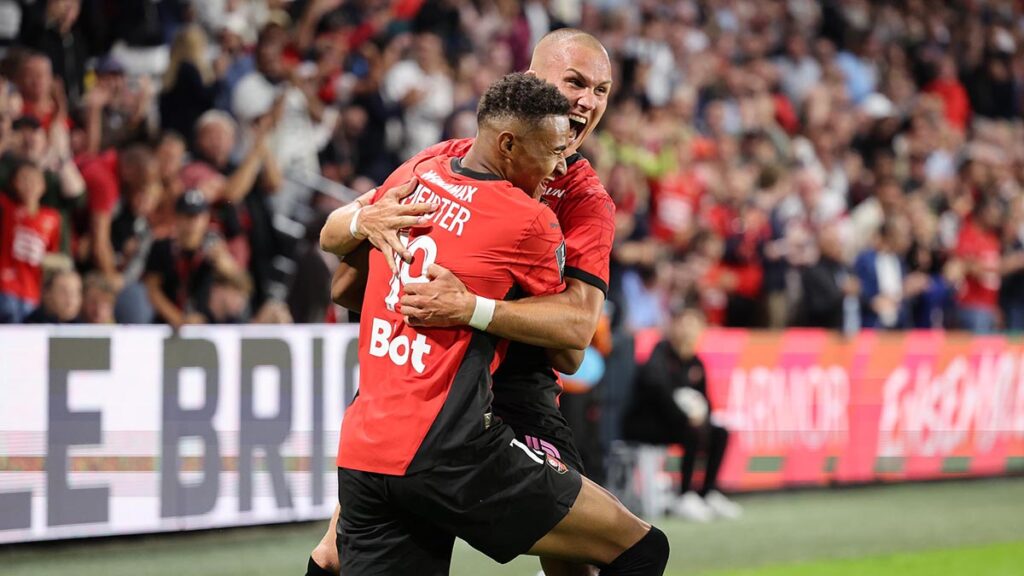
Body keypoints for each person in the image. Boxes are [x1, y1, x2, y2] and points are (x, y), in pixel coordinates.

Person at [311, 29, 626, 576]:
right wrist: (365, 220)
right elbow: (340, 263)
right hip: (428, 374)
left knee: (578, 560)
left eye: (601, 90)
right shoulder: (446, 159)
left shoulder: (584, 200)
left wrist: (470, 304)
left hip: (516, 388)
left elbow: (574, 338)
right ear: (529, 82)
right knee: (339, 549)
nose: (588, 101)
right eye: (575, 82)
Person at [621, 306, 742, 522]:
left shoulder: (696, 363)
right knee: (691, 430)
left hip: (679, 424)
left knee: (719, 432)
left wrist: (702, 417)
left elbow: (705, 402)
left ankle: (708, 491)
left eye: (694, 325)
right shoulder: (659, 356)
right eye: (684, 324)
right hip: (649, 424)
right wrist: (686, 416)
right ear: (674, 327)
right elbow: (658, 394)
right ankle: (685, 495)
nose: (688, 331)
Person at [142, 188, 246, 328]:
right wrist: (178, 319)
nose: (192, 223)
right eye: (187, 216)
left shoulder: (213, 246)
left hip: (207, 322)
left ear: (206, 218)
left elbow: (240, 283)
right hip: (168, 323)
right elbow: (152, 290)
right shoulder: (163, 247)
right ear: (177, 218)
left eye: (197, 216)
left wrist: (224, 264)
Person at [0, 160, 61, 322]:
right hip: (6, 287)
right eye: (24, 179)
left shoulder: (52, 218)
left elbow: (52, 255)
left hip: (33, 291)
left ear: (43, 185)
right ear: (14, 184)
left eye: (34, 179)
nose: (29, 185)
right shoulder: (7, 209)